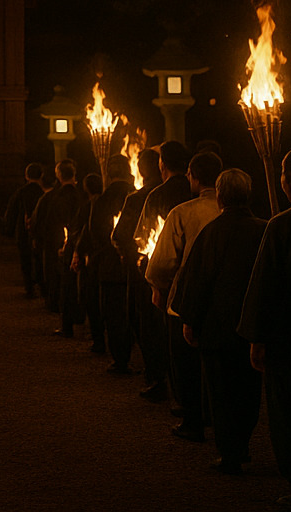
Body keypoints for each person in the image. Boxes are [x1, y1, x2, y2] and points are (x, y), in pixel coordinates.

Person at [172, 168, 266, 475]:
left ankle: (230, 452)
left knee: (221, 393)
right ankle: (242, 443)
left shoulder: (212, 233)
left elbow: (197, 279)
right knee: (249, 389)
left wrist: (189, 319)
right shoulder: (264, 230)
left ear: (221, 197)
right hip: (252, 325)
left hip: (218, 328)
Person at [239, 146, 291, 509]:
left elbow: (265, 284)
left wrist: (257, 338)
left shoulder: (282, 225)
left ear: (289, 182)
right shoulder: (279, 223)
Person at [145, 149, 223, 443]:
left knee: (186, 363)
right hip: (225, 300)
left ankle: (193, 419)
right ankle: (216, 414)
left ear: (194, 177)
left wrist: (157, 285)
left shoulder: (183, 213)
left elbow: (164, 260)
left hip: (186, 301)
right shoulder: (233, 213)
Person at [133, 140, 193, 402]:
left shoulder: (156, 195)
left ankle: (161, 381)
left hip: (166, 273)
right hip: (193, 272)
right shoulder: (195, 192)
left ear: (162, 164)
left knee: (160, 332)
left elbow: (144, 238)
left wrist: (152, 276)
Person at [111, 147, 160, 378]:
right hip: (174, 272)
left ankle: (154, 373)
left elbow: (119, 236)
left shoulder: (137, 198)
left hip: (141, 271)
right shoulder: (182, 195)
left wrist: (126, 255)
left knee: (144, 321)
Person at [81, 155, 132, 371]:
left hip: (109, 265)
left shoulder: (101, 200)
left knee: (114, 315)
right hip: (134, 264)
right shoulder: (136, 196)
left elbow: (95, 233)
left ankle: (120, 359)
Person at [33, 159, 81, 335]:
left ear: (59, 175)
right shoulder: (81, 196)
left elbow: (45, 222)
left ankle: (65, 318)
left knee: (62, 283)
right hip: (77, 243)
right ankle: (78, 315)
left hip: (57, 244)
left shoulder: (53, 197)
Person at [68, 172, 104, 352]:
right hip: (103, 258)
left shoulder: (87, 207)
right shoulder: (102, 205)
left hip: (92, 259)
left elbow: (81, 232)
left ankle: (96, 337)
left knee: (90, 297)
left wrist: (77, 252)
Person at [3, 162, 45, 298]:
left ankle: (29, 287)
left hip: (22, 231)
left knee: (25, 259)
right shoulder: (43, 194)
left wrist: (9, 228)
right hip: (39, 232)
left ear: (26, 176)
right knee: (39, 258)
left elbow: (11, 212)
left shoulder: (20, 192)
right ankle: (41, 284)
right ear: (41, 176)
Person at [28, 165, 58, 310]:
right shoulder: (51, 196)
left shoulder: (45, 198)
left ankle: (48, 297)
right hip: (57, 238)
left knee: (45, 269)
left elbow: (37, 220)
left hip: (48, 239)